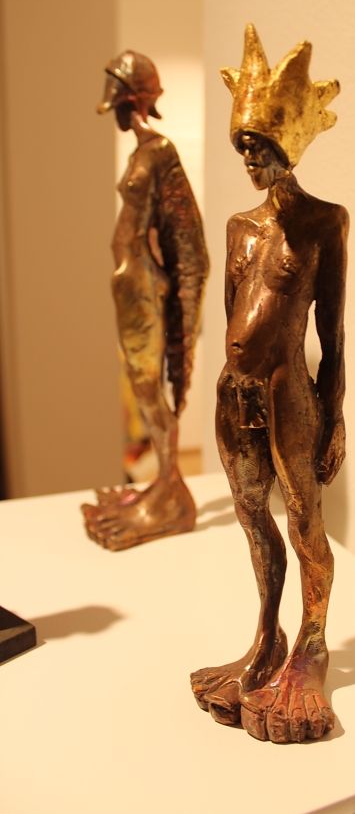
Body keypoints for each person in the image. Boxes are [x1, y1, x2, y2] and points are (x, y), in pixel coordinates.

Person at [191, 25, 347, 743]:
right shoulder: (238, 228)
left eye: (259, 146)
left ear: (287, 143)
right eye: (242, 147)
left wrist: (334, 416)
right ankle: (266, 638)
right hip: (236, 395)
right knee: (253, 518)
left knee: (304, 519)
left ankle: (311, 648)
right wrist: (233, 385)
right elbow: (233, 318)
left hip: (291, 395)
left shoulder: (323, 224)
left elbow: (331, 336)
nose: (250, 160)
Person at [82, 51, 209, 551]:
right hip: (129, 283)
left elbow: (190, 241)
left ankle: (171, 492)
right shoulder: (142, 152)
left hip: (143, 285)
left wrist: (183, 305)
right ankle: (161, 483)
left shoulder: (160, 152)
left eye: (118, 102)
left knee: (149, 386)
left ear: (132, 100)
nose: (114, 112)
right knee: (141, 387)